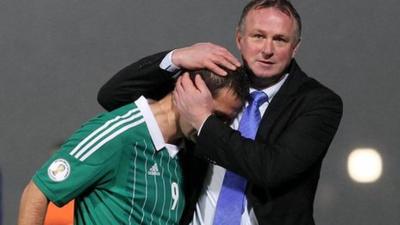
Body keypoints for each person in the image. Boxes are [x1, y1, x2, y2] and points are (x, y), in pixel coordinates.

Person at [97, 0, 343, 225]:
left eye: (280, 39)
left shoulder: (319, 102)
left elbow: (271, 169)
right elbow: (114, 97)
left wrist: (203, 121)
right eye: (258, 36)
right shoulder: (212, 81)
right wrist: (177, 57)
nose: (267, 49)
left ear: (295, 48)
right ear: (239, 39)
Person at [17, 69, 248, 225]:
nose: (214, 128)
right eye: (216, 116)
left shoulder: (183, 154)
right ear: (187, 89)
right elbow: (37, 192)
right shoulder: (119, 134)